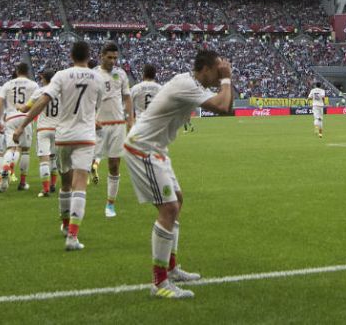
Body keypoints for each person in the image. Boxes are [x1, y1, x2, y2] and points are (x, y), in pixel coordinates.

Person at [122, 49, 234, 299]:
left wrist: (227, 81)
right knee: (169, 208)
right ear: (205, 69)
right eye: (217, 71)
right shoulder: (187, 84)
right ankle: (159, 282)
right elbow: (222, 105)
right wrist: (227, 80)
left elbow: (228, 107)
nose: (219, 76)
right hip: (143, 148)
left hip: (156, 149)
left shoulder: (191, 83)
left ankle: (170, 269)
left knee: (177, 200)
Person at [13, 41, 103, 251]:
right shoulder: (98, 78)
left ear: (71, 56)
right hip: (86, 136)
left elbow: (42, 101)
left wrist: (22, 126)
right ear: (89, 57)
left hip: (64, 136)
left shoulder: (61, 75)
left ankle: (65, 225)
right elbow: (97, 106)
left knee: (64, 184)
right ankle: (72, 236)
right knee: (80, 183)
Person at [92, 42, 134, 217]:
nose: (113, 61)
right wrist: (91, 119)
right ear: (101, 56)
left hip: (117, 124)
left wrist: (130, 120)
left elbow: (127, 98)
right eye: (109, 57)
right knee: (86, 161)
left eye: (115, 58)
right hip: (98, 124)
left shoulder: (121, 74)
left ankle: (110, 205)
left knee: (114, 164)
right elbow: (88, 99)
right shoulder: (93, 74)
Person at [0, 62, 40, 192]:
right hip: (26, 117)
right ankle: (22, 183)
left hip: (10, 118)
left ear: (16, 71)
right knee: (25, 150)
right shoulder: (33, 85)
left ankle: (5, 168)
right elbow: (38, 102)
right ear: (28, 72)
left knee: (11, 148)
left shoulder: (7, 84)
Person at [17, 69, 61, 197]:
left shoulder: (40, 92)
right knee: (54, 158)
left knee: (44, 158)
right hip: (59, 129)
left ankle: (46, 188)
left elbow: (26, 108)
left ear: (44, 79)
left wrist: (18, 106)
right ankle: (53, 184)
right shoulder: (61, 91)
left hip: (44, 129)